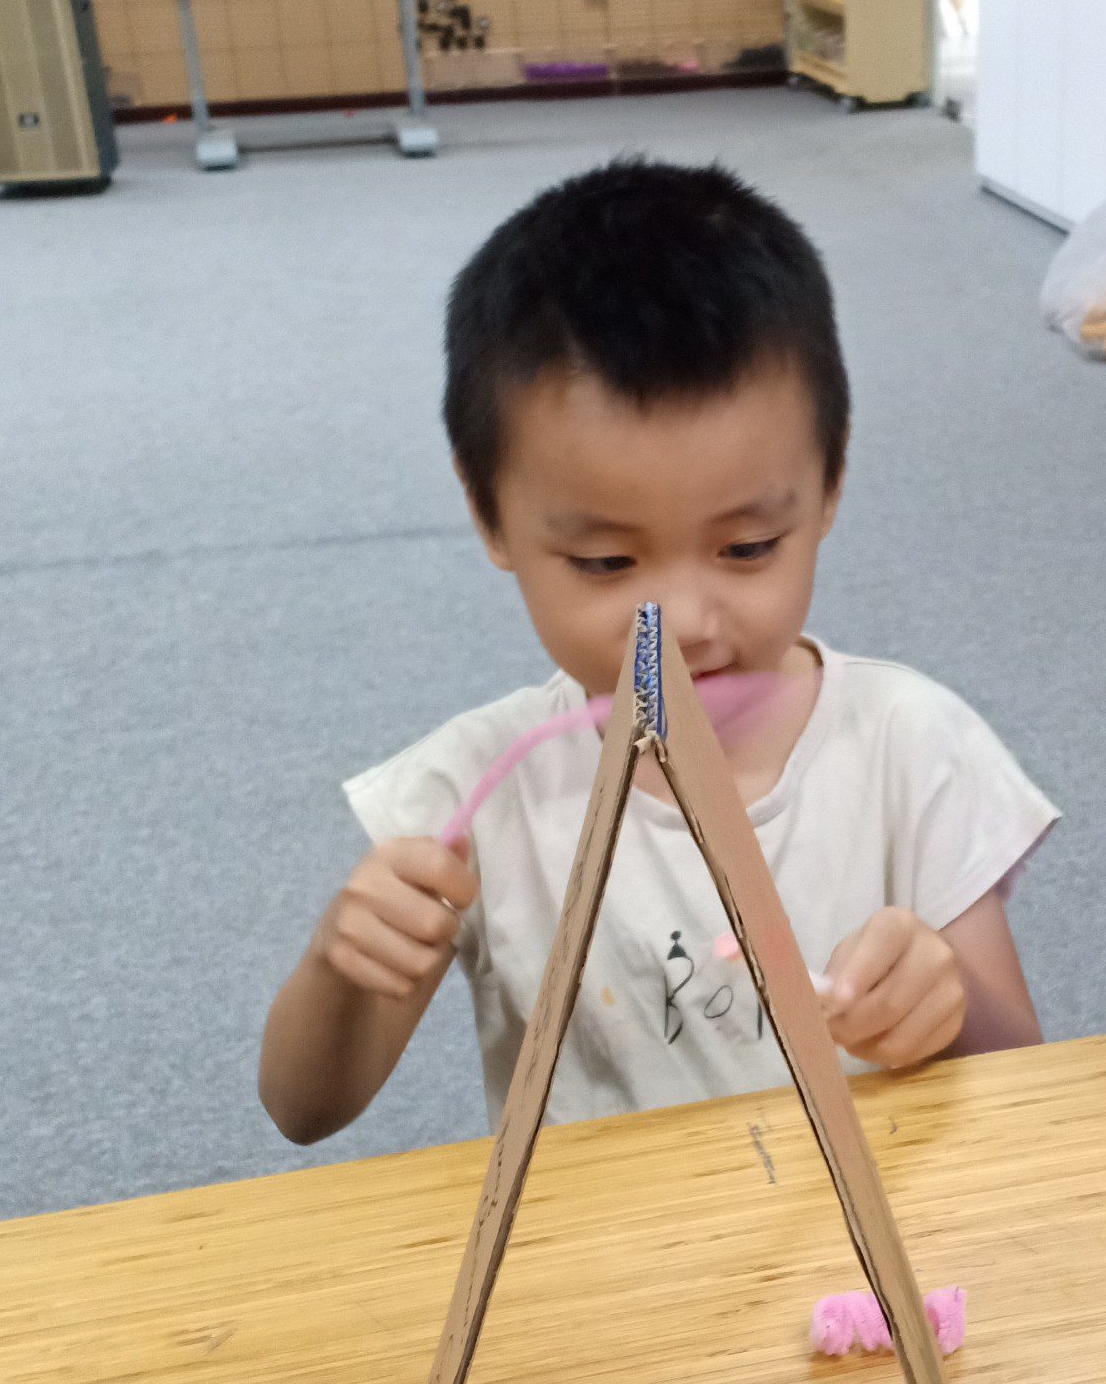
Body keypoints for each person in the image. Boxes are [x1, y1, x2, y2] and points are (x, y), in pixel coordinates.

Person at [259, 157, 1057, 1143]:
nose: (681, 622)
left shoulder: (911, 744)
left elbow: (1022, 1079)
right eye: (606, 562)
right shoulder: (472, 795)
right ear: (489, 513)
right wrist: (342, 967)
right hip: (601, 1237)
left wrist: (946, 1004)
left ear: (831, 478)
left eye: (748, 547)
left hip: (868, 1230)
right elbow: (303, 1108)